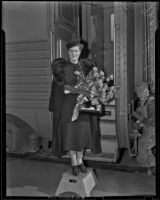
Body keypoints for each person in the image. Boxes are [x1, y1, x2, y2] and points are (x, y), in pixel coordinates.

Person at [49, 38, 101, 176]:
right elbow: (61, 89)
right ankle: (74, 163)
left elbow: (92, 87)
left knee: (82, 135)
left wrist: (91, 93)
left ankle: (80, 160)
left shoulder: (86, 67)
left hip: (83, 107)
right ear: (68, 52)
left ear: (80, 52)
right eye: (71, 51)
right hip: (68, 107)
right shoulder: (61, 68)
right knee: (71, 136)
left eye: (76, 51)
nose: (74, 54)